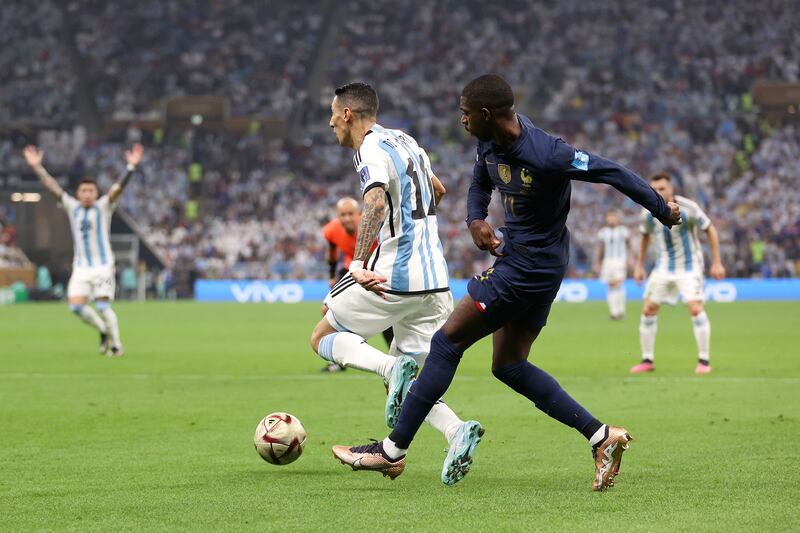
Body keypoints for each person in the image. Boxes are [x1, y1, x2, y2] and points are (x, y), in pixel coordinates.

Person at [332, 74, 681, 491]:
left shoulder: (548, 153)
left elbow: (612, 172)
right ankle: (601, 436)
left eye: (465, 113)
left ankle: (392, 450)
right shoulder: (489, 140)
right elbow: (480, 180)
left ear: (486, 114)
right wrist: (476, 219)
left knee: (447, 342)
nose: (460, 121)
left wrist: (661, 209)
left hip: (526, 268)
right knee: (509, 365)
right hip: (533, 264)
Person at [310, 83, 475, 481]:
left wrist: (359, 261)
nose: (330, 122)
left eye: (333, 114)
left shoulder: (368, 148)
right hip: (435, 279)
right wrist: (418, 232)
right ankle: (458, 432)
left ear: (348, 113)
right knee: (414, 384)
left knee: (322, 334)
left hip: (395, 274)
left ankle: (387, 366)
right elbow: (437, 189)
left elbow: (376, 201)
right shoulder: (406, 140)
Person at [23, 143, 144, 356]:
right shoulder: (72, 207)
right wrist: (37, 168)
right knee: (76, 307)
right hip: (81, 267)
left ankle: (116, 346)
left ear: (96, 193)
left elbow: (117, 189)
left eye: (91, 190)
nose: (87, 194)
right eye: (83, 190)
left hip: (103, 265)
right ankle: (103, 331)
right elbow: (52, 187)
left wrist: (131, 168)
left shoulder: (104, 206)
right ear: (78, 194)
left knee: (103, 307)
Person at [631, 173, 725, 375]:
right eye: (655, 188)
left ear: (671, 189)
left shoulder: (688, 208)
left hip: (689, 266)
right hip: (663, 267)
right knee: (648, 309)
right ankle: (647, 360)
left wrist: (716, 262)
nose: (658, 191)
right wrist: (639, 265)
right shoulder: (647, 212)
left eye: (662, 188)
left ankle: (704, 361)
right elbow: (644, 236)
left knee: (695, 308)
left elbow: (710, 229)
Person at [320, 196, 393, 373]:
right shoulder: (331, 230)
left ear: (358, 214)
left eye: (350, 214)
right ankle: (337, 360)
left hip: (376, 271)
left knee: (387, 314)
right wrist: (332, 276)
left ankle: (394, 356)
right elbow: (332, 253)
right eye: (342, 215)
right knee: (327, 310)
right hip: (350, 271)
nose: (346, 218)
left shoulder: (372, 226)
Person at [593, 210, 631, 320]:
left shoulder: (624, 231)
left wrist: (630, 260)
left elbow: (629, 246)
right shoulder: (603, 232)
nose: (610, 219)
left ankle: (621, 311)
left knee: (618, 283)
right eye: (608, 217)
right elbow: (600, 249)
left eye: (612, 217)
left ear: (617, 218)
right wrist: (597, 263)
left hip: (620, 260)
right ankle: (614, 312)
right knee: (610, 285)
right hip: (607, 261)